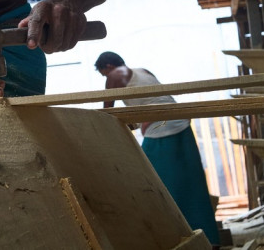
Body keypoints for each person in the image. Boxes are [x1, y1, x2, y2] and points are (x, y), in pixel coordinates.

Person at [94, 51, 220, 246]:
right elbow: (155, 100)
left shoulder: (114, 75)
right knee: (192, 184)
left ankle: (171, 240)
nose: (106, 78)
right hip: (182, 123)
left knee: (154, 186)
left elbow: (108, 113)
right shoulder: (143, 71)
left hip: (161, 129)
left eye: (103, 74)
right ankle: (208, 239)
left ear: (108, 67)